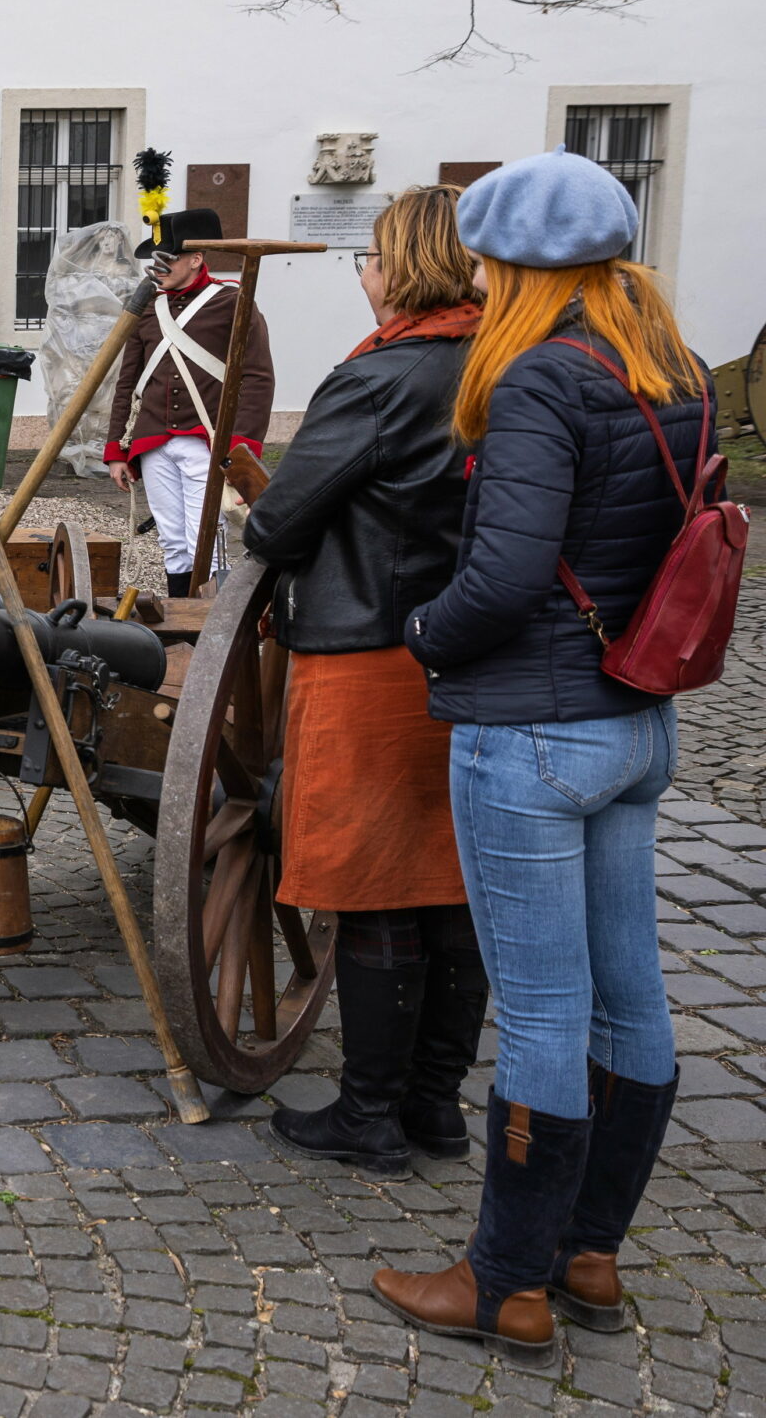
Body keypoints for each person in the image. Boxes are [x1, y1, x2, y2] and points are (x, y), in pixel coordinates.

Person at [374, 149, 715, 1360]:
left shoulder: (534, 380)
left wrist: (422, 631)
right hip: (637, 721)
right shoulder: (670, 367)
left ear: (512, 265)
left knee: (541, 1013)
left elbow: (506, 576)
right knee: (633, 1001)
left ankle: (505, 1283)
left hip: (532, 733)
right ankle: (589, 1251)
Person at [244, 186, 487, 1177]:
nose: (363, 274)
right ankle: (435, 1105)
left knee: (380, 881)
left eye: (371, 257)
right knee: (451, 880)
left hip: (370, 652)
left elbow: (279, 521)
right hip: (474, 651)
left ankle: (370, 1112)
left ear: (404, 268)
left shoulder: (383, 377)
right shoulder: (507, 360)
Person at [105, 207, 274, 596]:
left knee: (207, 545)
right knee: (173, 543)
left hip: (207, 442)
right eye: (156, 259)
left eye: (171, 257)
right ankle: (182, 619)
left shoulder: (233, 302)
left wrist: (241, 446)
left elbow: (257, 377)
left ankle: (209, 629)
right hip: (154, 442)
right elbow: (127, 381)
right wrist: (117, 448)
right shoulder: (149, 307)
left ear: (196, 259)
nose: (159, 266)